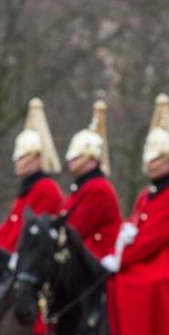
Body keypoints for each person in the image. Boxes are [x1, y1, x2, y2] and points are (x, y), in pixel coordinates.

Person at [105, 94, 169, 335]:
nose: (152, 165)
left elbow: (157, 236)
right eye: (150, 160)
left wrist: (123, 258)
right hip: (145, 254)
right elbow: (137, 224)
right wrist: (123, 240)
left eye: (158, 160)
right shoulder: (146, 194)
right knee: (116, 282)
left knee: (152, 283)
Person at [0, 98, 64, 255]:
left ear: (37, 158)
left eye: (22, 157)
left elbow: (25, 232)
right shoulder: (29, 188)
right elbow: (10, 225)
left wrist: (1, 253)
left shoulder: (45, 188)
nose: (17, 162)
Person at [61, 100, 121, 258]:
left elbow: (76, 228)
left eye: (78, 157)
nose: (71, 161)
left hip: (96, 256)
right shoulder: (84, 186)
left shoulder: (98, 188)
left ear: (92, 159)